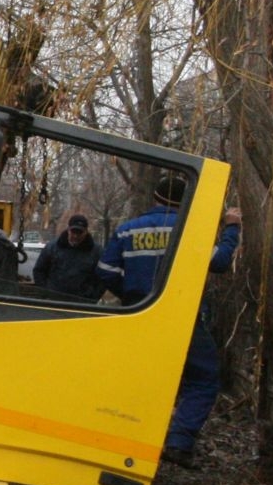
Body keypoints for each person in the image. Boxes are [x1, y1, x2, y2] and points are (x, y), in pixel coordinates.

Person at [98, 174, 242, 467]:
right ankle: (178, 442)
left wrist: (131, 295)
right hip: (183, 319)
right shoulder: (190, 230)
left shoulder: (127, 231)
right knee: (202, 378)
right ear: (185, 201)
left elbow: (104, 271)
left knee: (136, 379)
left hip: (138, 315)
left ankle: (121, 441)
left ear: (155, 196)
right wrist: (232, 229)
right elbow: (220, 262)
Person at [32, 210, 102, 299]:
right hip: (53, 301)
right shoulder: (52, 248)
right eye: (73, 231)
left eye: (79, 232)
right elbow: (39, 271)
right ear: (68, 230)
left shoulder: (96, 252)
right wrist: (46, 292)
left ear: (86, 232)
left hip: (82, 303)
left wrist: (92, 296)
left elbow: (101, 278)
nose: (76, 236)